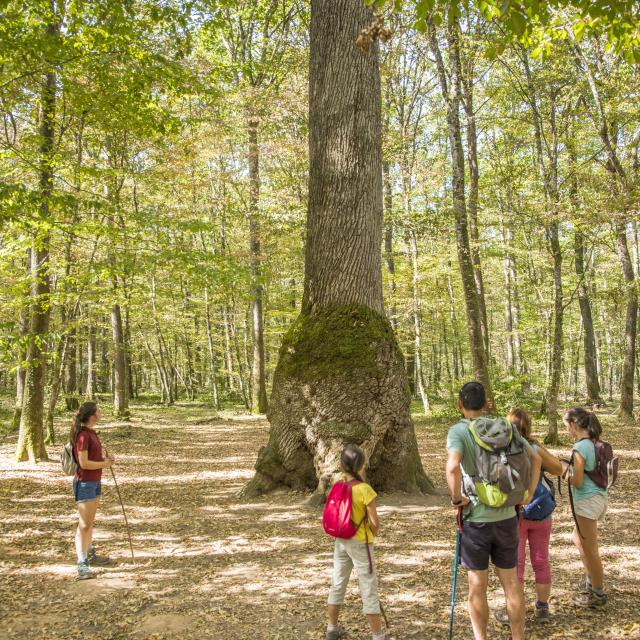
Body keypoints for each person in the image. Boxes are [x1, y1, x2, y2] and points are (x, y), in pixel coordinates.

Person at [446, 382, 541, 640]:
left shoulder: (458, 431)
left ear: (460, 405)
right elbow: (536, 458)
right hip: (508, 517)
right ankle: (518, 636)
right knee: (511, 583)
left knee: (477, 586)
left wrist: (457, 499)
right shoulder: (507, 427)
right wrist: (528, 493)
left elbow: (453, 467)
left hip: (476, 519)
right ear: (487, 404)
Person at [326, 444, 393, 640]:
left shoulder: (338, 486)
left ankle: (332, 628)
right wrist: (373, 533)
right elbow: (374, 522)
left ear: (342, 466)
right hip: (361, 543)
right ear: (362, 465)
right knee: (368, 586)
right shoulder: (365, 490)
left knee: (338, 582)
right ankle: (378, 635)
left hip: (341, 541)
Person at [506, 408, 563, 624]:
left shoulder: (504, 447)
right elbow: (558, 468)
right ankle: (542, 608)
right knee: (541, 560)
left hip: (516, 512)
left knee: (516, 565)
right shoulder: (534, 447)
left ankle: (516, 611)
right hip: (540, 510)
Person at [563, 407, 608, 608]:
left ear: (574, 424)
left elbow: (578, 480)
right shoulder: (593, 443)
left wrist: (566, 474)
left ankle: (597, 594)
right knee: (578, 539)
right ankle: (591, 581)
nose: (567, 431)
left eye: (567, 427)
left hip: (587, 501)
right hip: (598, 498)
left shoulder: (580, 447)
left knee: (590, 549)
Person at [70, 401, 114, 579]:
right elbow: (84, 463)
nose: (101, 413)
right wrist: (105, 463)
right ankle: (82, 563)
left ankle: (89, 552)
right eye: (99, 411)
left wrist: (105, 459)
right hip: (85, 482)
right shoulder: (83, 436)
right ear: (92, 415)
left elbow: (92, 458)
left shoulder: (92, 433)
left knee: (90, 522)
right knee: (84, 524)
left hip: (95, 481)